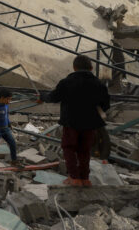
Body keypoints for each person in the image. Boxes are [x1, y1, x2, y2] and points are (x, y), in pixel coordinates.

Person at [40, 55, 110, 187]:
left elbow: (54, 97)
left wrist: (42, 96)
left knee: (69, 147)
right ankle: (85, 178)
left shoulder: (67, 82)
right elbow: (106, 105)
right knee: (85, 149)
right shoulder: (99, 84)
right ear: (91, 67)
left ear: (74, 67)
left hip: (71, 121)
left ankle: (74, 177)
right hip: (90, 123)